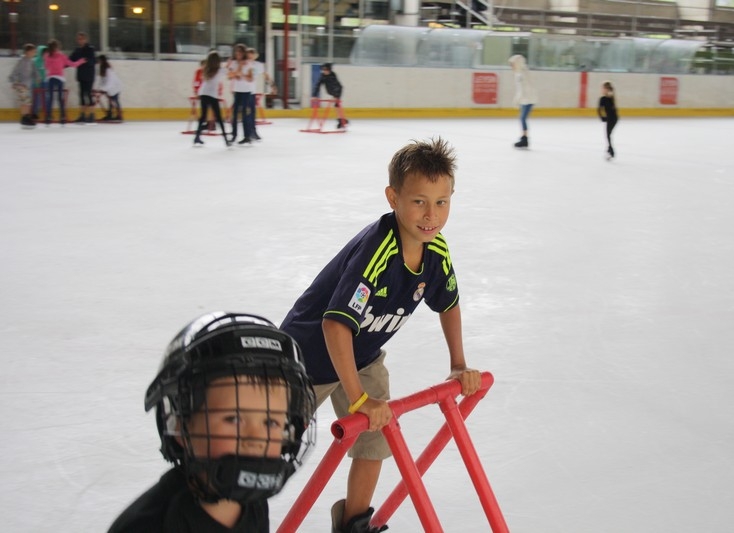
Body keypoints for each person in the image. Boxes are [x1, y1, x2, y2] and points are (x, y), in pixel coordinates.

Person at [280, 137, 482, 533]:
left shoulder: (435, 251)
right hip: (307, 357)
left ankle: (353, 524)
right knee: (271, 447)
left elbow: (449, 303)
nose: (431, 215)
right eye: (419, 201)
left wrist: (458, 364)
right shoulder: (378, 251)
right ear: (393, 197)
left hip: (362, 355)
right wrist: (358, 398)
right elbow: (335, 325)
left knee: (375, 440)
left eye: (441, 202)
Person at [107, 312, 317, 533]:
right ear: (179, 424)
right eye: (233, 419)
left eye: (271, 423)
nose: (256, 438)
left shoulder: (251, 503)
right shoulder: (144, 526)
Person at [194, 50, 231, 148]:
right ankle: (226, 140)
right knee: (219, 117)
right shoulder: (220, 70)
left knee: (203, 116)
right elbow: (230, 73)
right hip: (212, 95)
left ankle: (197, 137)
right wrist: (229, 64)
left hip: (203, 93)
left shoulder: (206, 69)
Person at [43, 39, 85, 125]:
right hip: (59, 78)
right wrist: (81, 61)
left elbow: (46, 67)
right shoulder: (61, 56)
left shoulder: (47, 56)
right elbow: (72, 64)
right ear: (57, 47)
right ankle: (62, 117)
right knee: (60, 98)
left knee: (50, 98)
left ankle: (48, 117)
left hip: (50, 78)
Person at [226, 43, 254, 146]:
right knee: (235, 113)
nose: (238, 54)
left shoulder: (248, 64)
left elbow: (251, 78)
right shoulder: (233, 63)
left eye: (240, 52)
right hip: (237, 90)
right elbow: (229, 75)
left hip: (246, 91)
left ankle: (247, 136)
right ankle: (234, 135)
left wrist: (242, 74)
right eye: (237, 52)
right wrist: (238, 70)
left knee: (245, 114)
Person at [8, 43, 41, 128]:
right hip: (21, 85)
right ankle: (24, 117)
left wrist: (38, 78)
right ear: (28, 52)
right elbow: (14, 73)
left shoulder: (31, 62)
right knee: (25, 102)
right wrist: (15, 82)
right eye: (33, 51)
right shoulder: (21, 61)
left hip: (27, 85)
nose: (34, 53)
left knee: (28, 102)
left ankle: (26, 116)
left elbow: (35, 72)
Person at [508, 54, 536, 148]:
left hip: (528, 99)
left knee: (522, 118)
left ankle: (525, 139)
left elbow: (524, 89)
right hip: (525, 99)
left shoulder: (522, 73)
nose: (511, 66)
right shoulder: (519, 73)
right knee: (522, 118)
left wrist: (518, 99)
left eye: (513, 64)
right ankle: (524, 138)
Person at [69, 31, 96, 123]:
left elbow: (93, 61)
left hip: (89, 75)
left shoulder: (90, 49)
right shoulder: (77, 50)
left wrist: (85, 61)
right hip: (81, 76)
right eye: (78, 39)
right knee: (81, 95)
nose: (79, 41)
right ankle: (82, 115)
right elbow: (70, 60)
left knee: (88, 94)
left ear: (85, 39)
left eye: (81, 39)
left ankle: (92, 115)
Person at [312, 62, 347, 129]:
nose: (324, 71)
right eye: (323, 70)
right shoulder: (323, 76)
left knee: (337, 105)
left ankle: (341, 120)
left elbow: (337, 86)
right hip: (330, 91)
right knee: (336, 105)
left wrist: (336, 96)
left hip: (338, 90)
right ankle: (342, 120)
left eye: (326, 70)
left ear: (329, 70)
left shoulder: (333, 75)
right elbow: (318, 85)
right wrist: (314, 95)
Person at [96, 55, 123, 122]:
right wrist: (99, 89)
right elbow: (102, 81)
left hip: (115, 87)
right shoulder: (102, 69)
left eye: (99, 60)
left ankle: (119, 115)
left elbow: (110, 82)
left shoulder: (108, 70)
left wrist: (102, 90)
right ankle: (110, 115)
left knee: (115, 100)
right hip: (110, 88)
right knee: (110, 101)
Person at [597, 81, 619, 160]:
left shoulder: (607, 98)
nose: (602, 90)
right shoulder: (609, 98)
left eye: (603, 88)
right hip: (614, 118)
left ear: (606, 89)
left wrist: (602, 117)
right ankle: (609, 150)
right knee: (608, 135)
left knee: (608, 135)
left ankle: (611, 151)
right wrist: (602, 117)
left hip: (612, 118)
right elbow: (599, 110)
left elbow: (599, 110)